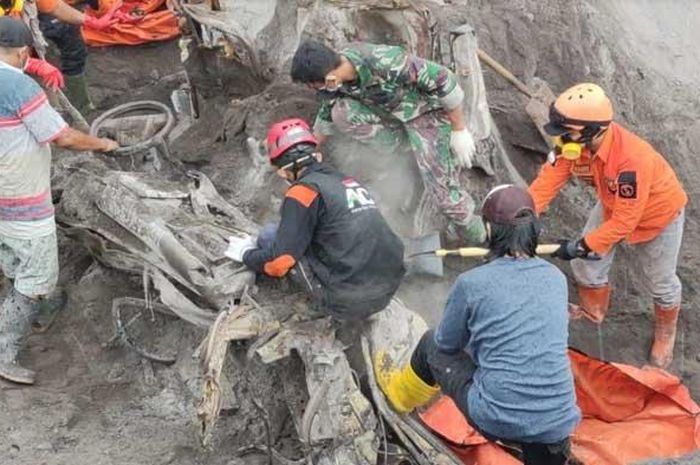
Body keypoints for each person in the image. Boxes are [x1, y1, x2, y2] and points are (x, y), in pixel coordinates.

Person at [374, 185, 581, 465]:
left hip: (497, 416)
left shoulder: (473, 283)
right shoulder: (556, 278)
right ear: (535, 230)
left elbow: (446, 344)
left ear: (490, 230)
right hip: (558, 419)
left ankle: (398, 399)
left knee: (430, 343)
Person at [529, 83, 687, 368]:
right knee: (586, 265)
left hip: (658, 216)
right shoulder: (575, 143)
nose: (563, 138)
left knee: (660, 280)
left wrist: (581, 245)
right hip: (612, 203)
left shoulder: (631, 161)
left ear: (592, 130)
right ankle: (593, 313)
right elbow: (550, 178)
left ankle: (666, 331)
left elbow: (625, 222)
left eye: (568, 131)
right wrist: (525, 215)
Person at [0, 17, 118, 385]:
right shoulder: (17, 85)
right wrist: (103, 144)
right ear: (23, 52)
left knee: (13, 259)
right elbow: (61, 136)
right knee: (37, 274)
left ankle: (41, 306)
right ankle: (4, 351)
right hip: (19, 198)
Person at [290, 40, 485, 243]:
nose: (313, 89)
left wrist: (459, 129)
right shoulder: (334, 82)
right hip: (393, 117)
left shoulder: (385, 61)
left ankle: (477, 233)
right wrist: (311, 150)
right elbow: (326, 113)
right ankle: (402, 149)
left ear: (329, 75)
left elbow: (445, 80)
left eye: (313, 84)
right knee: (341, 112)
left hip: (428, 115)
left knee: (443, 197)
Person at [225, 118, 405, 321]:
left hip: (348, 302)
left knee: (269, 237)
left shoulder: (302, 191)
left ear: (284, 171)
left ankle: (327, 308)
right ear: (317, 155)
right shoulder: (346, 181)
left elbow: (279, 263)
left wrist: (246, 254)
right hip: (388, 289)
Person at [1, 0, 118, 111]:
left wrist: (90, 21)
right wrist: (31, 64)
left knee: (69, 33)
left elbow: (54, 6)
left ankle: (80, 105)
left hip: (16, 42)